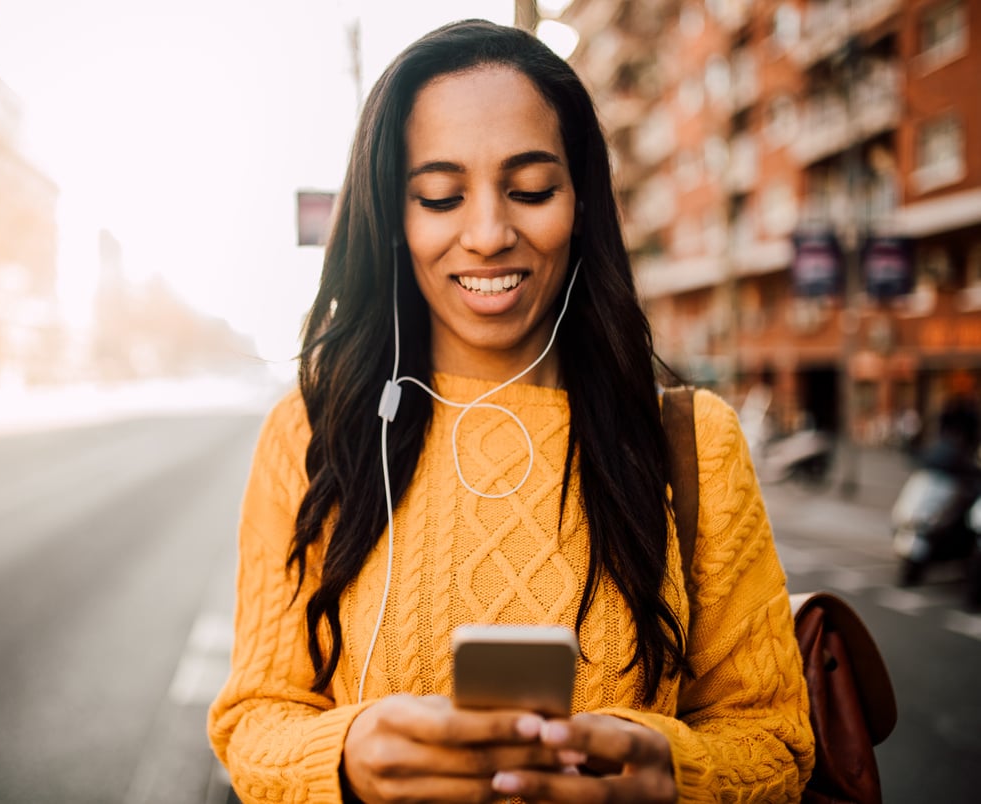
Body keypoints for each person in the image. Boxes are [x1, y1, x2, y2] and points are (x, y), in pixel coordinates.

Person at [209, 19, 813, 802]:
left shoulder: (693, 442)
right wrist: (347, 754)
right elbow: (253, 718)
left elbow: (775, 737)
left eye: (530, 190)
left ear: (581, 202)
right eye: (440, 196)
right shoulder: (310, 435)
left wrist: (674, 773)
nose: (489, 234)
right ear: (394, 217)